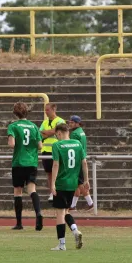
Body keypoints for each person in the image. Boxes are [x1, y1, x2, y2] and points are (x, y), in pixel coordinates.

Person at [49, 123, 88, 251]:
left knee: (60, 213)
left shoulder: (57, 145)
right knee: (66, 211)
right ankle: (75, 231)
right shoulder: (77, 144)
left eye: (56, 135)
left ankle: (62, 244)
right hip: (73, 183)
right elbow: (84, 162)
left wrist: (52, 183)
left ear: (59, 133)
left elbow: (55, 165)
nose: (57, 137)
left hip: (61, 182)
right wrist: (86, 180)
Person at [7, 102, 44, 231]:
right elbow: (40, 146)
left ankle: (19, 223)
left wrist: (16, 142)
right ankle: (38, 212)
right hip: (32, 162)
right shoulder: (34, 126)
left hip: (18, 162)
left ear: (15, 113)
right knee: (32, 190)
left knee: (18, 191)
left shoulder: (13, 126)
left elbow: (11, 144)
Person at [39, 103, 65, 203]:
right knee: (49, 173)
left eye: (48, 110)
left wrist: (47, 132)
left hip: (57, 150)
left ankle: (59, 192)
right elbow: (40, 134)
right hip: (45, 151)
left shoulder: (60, 121)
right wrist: (49, 132)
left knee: (58, 173)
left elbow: (54, 131)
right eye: (45, 110)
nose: (46, 112)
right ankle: (52, 192)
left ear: (54, 109)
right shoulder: (44, 122)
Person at [68, 115, 94, 211]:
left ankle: (91, 203)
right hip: (81, 158)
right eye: (69, 122)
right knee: (77, 184)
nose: (69, 124)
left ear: (77, 123)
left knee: (79, 183)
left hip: (77, 160)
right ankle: (73, 205)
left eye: (71, 122)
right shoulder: (81, 132)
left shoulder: (74, 134)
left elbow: (72, 146)